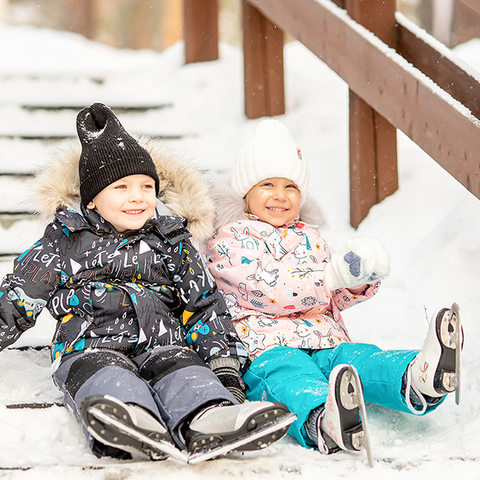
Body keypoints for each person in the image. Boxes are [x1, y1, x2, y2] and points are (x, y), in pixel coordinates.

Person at [0, 104, 295, 463]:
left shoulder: (171, 240)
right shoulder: (66, 240)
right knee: (106, 375)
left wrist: (223, 364)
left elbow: (203, 303)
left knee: (184, 369)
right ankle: (127, 419)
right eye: (121, 187)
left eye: (146, 186)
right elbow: (19, 297)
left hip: (163, 343)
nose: (138, 196)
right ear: (92, 197)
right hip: (89, 347)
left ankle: (210, 416)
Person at [204, 119, 462, 464]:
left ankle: (416, 376)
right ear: (245, 193)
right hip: (264, 348)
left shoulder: (310, 236)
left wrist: (357, 278)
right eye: (267, 184)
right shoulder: (227, 238)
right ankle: (324, 421)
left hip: (326, 339)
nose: (280, 196)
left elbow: (328, 294)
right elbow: (264, 290)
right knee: (292, 377)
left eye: (291, 187)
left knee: (359, 360)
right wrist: (330, 275)